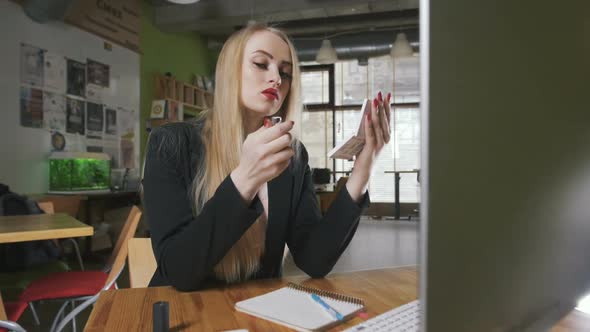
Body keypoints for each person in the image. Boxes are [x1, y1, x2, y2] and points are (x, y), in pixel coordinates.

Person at [142, 23, 392, 291]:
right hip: (187, 313)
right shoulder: (169, 144)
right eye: (261, 64)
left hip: (261, 313)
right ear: (229, 71)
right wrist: (244, 180)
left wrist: (362, 173)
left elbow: (314, 260)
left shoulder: (293, 156)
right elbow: (178, 271)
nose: (276, 79)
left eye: (285, 73)